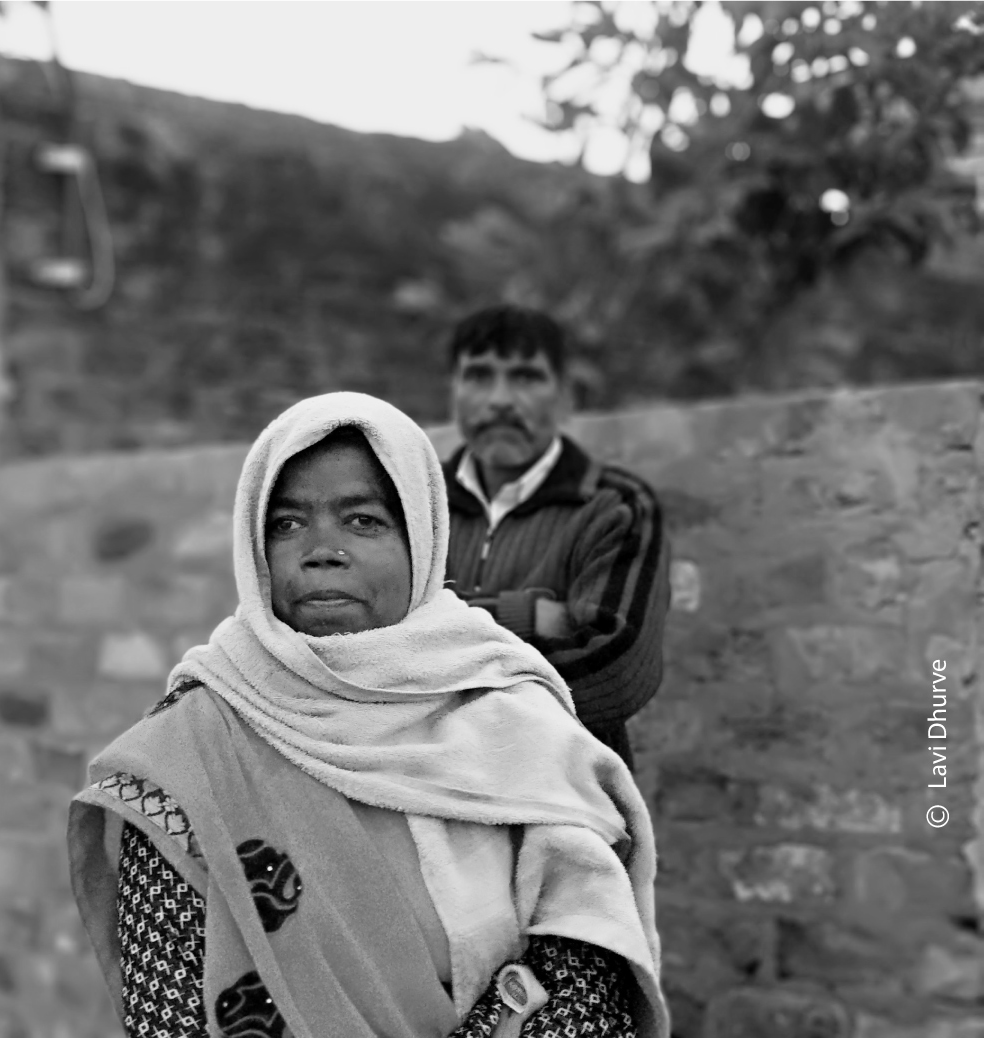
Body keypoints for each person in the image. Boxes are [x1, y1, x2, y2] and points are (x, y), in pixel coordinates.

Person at [68, 392, 668, 1038]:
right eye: (286, 524)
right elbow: (167, 1010)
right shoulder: (186, 753)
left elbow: (585, 961)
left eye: (362, 521)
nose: (320, 550)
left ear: (422, 539)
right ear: (252, 547)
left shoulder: (515, 721)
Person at [442, 306, 670, 769]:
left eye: (526, 377)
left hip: (565, 801)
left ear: (566, 397)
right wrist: (527, 614)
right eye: (479, 376)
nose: (501, 400)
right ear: (454, 393)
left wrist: (432, 684)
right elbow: (369, 634)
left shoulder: (616, 506)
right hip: (422, 796)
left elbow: (616, 670)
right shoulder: (407, 501)